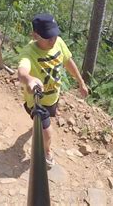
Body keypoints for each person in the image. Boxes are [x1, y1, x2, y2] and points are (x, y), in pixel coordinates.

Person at [18, 13, 89, 167]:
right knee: (47, 131)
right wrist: (29, 79)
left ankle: (41, 123)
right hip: (37, 101)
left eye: (55, 35)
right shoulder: (29, 52)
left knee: (49, 115)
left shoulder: (59, 43)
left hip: (53, 97)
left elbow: (68, 61)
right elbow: (22, 71)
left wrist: (81, 82)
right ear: (35, 35)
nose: (53, 40)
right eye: (48, 37)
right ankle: (47, 152)